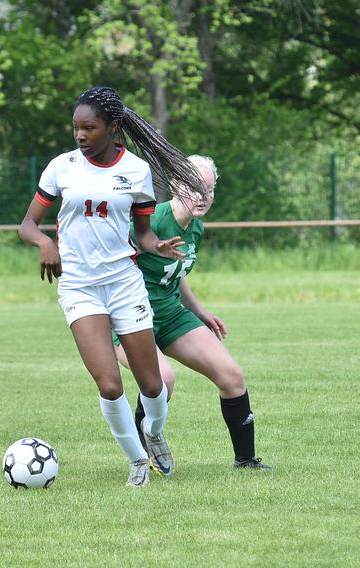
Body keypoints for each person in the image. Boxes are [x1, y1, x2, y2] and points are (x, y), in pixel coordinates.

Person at [18, 86, 208, 486]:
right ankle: (138, 459)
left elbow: (142, 233)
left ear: (113, 127)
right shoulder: (61, 167)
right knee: (108, 383)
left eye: (89, 128)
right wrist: (45, 242)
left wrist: (158, 244)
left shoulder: (136, 171)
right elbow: (27, 225)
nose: (81, 136)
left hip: (124, 284)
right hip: (80, 288)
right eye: (76, 128)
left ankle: (154, 432)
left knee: (153, 384)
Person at [114, 155, 271, 471]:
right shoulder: (152, 221)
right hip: (128, 317)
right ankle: (146, 449)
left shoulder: (195, 228)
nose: (202, 196)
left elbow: (176, 271)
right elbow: (112, 255)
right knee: (163, 381)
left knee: (231, 376)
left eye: (209, 190)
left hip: (170, 314)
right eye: (194, 187)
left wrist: (199, 310)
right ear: (175, 185)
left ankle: (246, 461)